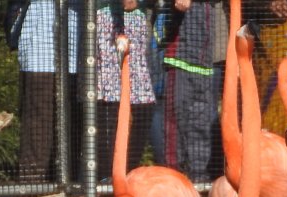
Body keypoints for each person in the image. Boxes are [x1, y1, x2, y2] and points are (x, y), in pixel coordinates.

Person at [161, 0, 229, 183]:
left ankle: (199, 176)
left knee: (203, 122)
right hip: (180, 58)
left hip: (205, 62)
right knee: (176, 118)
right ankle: (174, 175)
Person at [16, 0, 81, 183]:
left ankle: (71, 182)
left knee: (74, 120)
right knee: (39, 119)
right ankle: (32, 185)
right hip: (40, 47)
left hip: (77, 45)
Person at [95, 0, 156, 180]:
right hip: (107, 18)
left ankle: (129, 171)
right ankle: (107, 175)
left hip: (137, 20)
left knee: (144, 104)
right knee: (110, 99)